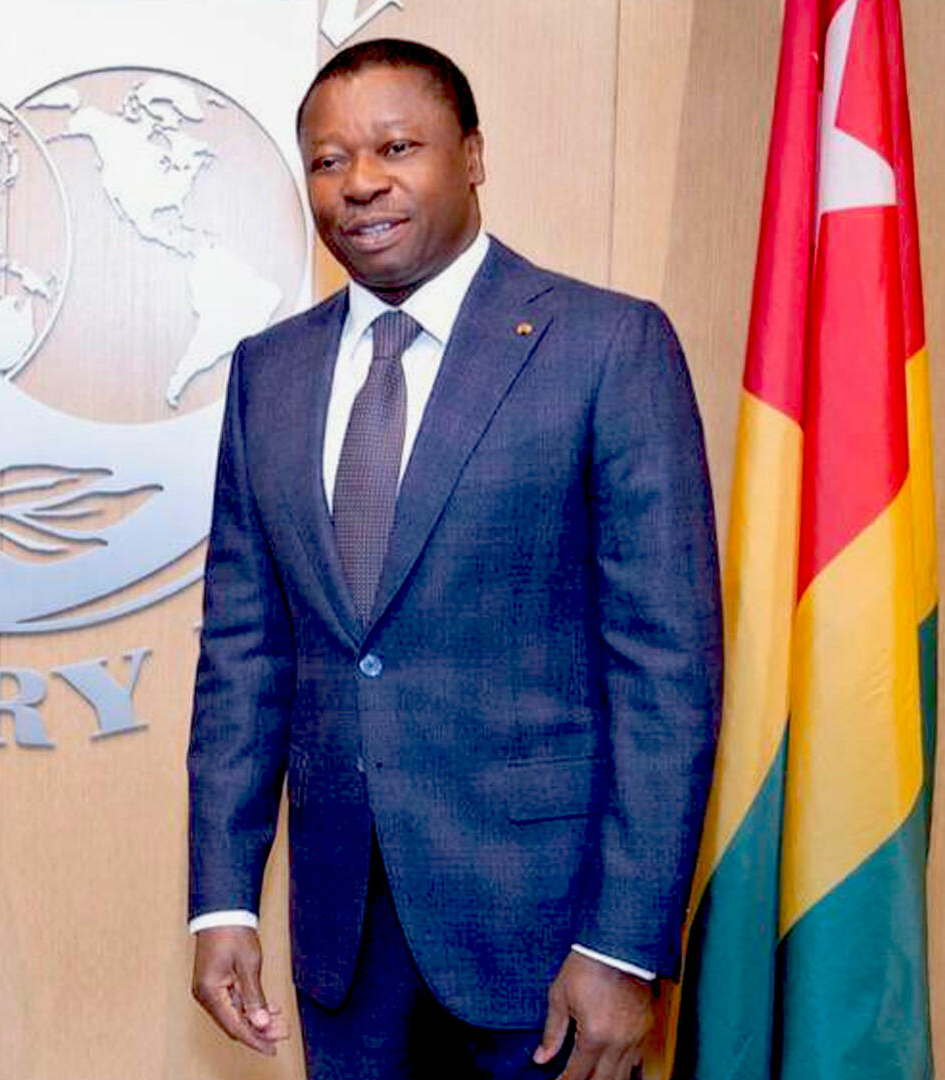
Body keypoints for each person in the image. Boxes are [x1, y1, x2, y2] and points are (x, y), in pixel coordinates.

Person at [186, 39, 721, 1080]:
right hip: (345, 949)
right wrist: (223, 900)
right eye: (329, 160)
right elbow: (244, 658)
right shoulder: (268, 375)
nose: (359, 182)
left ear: (472, 156)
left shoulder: (607, 347)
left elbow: (669, 672)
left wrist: (624, 945)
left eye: (396, 147)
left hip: (551, 944)